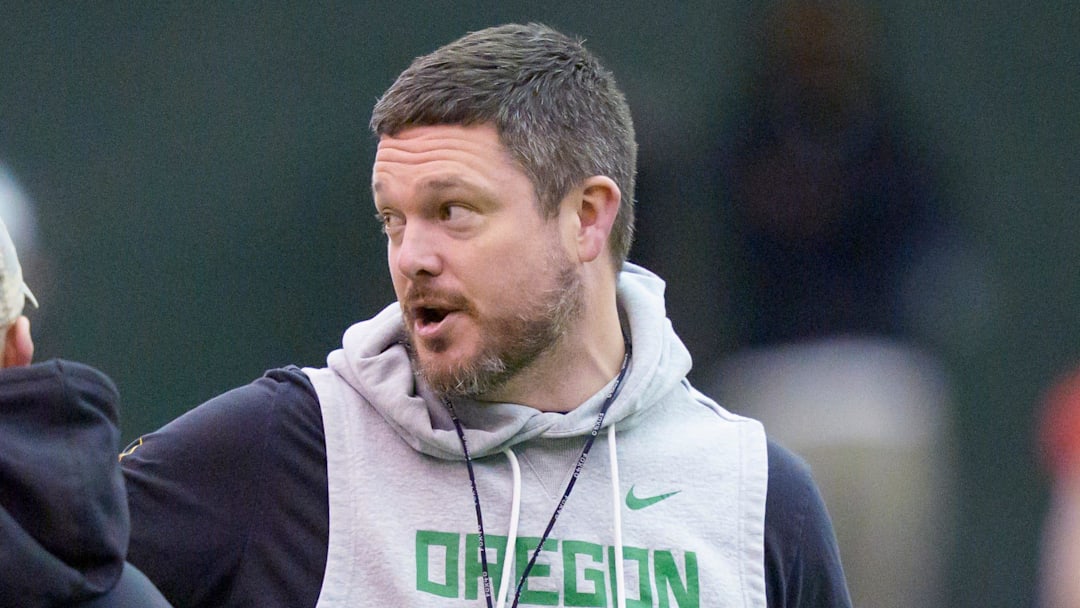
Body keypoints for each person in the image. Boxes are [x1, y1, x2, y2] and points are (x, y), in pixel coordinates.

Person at [112, 23, 850, 607]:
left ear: (586, 218)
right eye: (393, 221)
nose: (411, 257)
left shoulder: (756, 498)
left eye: (452, 211)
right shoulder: (290, 449)